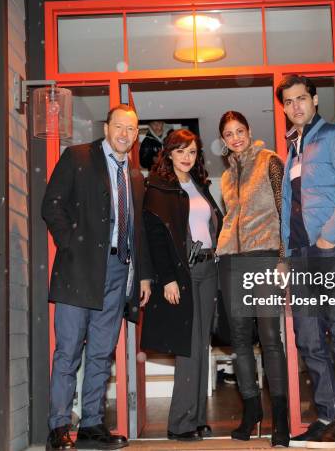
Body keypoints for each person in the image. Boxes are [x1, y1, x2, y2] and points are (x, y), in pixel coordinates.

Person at [42, 104, 153, 450]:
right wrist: (71, 244)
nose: (125, 134)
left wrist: (144, 277)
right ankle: (58, 427)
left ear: (137, 136)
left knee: (102, 352)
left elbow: (138, 232)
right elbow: (52, 205)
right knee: (69, 350)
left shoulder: (135, 176)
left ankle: (91, 425)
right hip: (78, 270)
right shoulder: (78, 157)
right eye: (120, 127)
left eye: (132, 130)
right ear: (106, 128)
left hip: (118, 272)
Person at [276, 75, 335, 448]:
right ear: (283, 108)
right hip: (300, 256)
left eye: (301, 98)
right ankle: (326, 414)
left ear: (315, 99)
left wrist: (330, 234)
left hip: (332, 250)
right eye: (288, 102)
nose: (295, 106)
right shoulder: (293, 151)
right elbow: (288, 206)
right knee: (309, 337)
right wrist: (286, 253)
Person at [140, 129, 223, 441]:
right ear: (169, 154)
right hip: (183, 272)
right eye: (180, 151)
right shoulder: (159, 188)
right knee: (188, 347)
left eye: (192, 151)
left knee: (202, 346)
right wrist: (168, 278)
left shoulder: (200, 186)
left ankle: (198, 418)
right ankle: (180, 424)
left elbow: (214, 225)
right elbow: (156, 237)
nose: (187, 157)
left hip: (208, 269)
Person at [215, 111, 290, 447]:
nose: (235, 138)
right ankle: (251, 409)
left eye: (240, 131)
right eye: (229, 134)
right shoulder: (226, 177)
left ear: (249, 132)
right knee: (240, 340)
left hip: (264, 256)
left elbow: (284, 208)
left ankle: (282, 418)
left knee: (270, 336)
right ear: (224, 139)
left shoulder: (269, 161)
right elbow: (231, 218)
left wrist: (284, 256)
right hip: (233, 261)